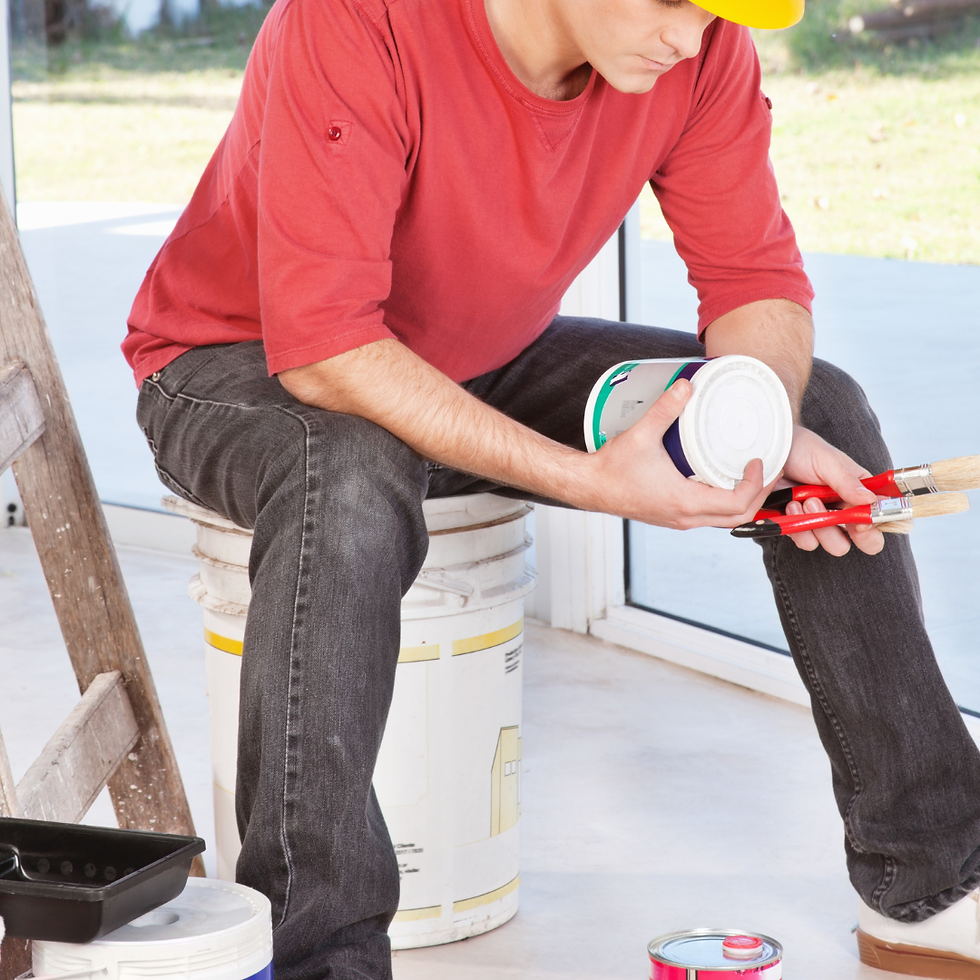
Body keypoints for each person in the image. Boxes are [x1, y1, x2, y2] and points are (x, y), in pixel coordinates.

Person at [123, 0, 980, 974]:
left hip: (474, 359)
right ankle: (321, 954)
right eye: (674, 4)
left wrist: (757, 418)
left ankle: (932, 883)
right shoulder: (356, 21)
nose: (689, 38)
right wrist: (594, 481)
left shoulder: (696, 56)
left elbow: (752, 282)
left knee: (818, 405)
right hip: (243, 363)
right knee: (351, 472)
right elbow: (325, 348)